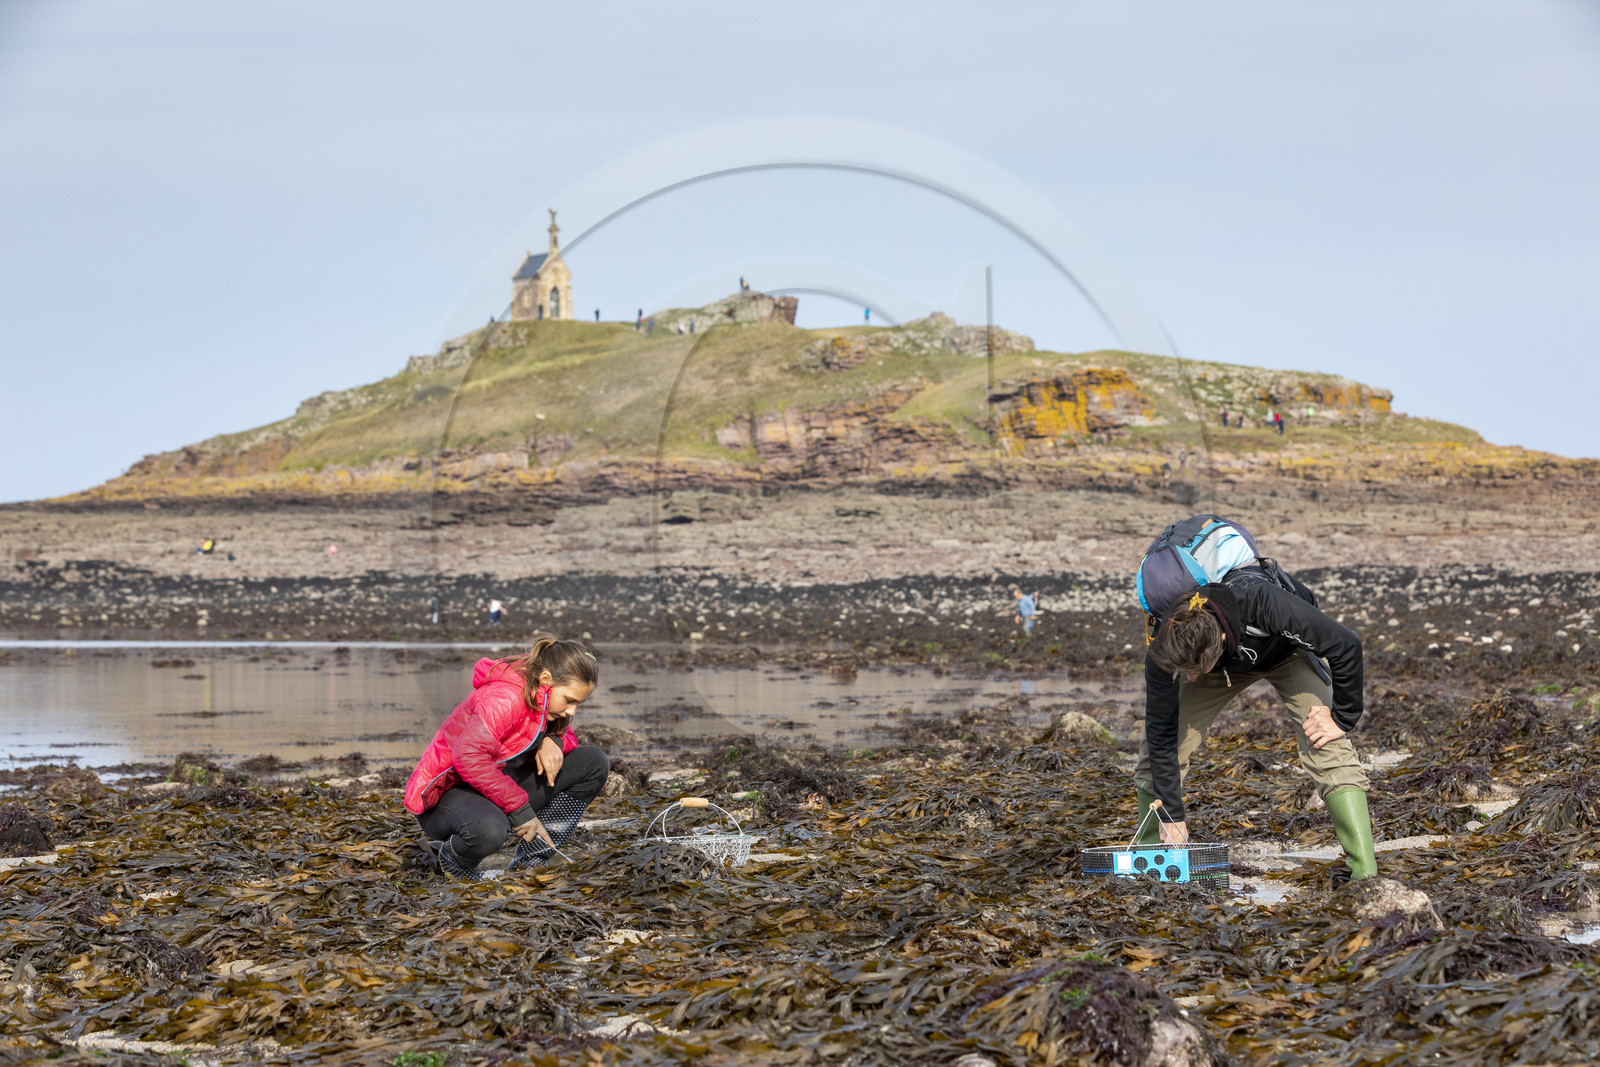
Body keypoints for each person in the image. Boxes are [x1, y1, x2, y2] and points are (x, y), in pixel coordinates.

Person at [1135, 565, 1377, 883]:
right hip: (1215, 661)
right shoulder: (1169, 650)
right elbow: (1161, 732)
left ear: (1220, 638)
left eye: (1192, 670)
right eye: (1184, 672)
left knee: (1325, 743)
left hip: (1284, 652)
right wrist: (1171, 813)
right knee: (1155, 754)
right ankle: (1154, 867)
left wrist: (1342, 719)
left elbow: (1345, 644)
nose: (1189, 679)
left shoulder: (1264, 602)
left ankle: (1364, 874)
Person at [405, 634, 609, 880]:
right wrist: (520, 810)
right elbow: (469, 756)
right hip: (445, 797)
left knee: (593, 763)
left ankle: (530, 859)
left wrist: (553, 741)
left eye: (579, 704)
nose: (572, 710)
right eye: (569, 701)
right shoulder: (505, 698)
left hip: (492, 789)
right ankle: (453, 860)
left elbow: (566, 734)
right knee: (490, 830)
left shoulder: (545, 701)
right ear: (546, 679)